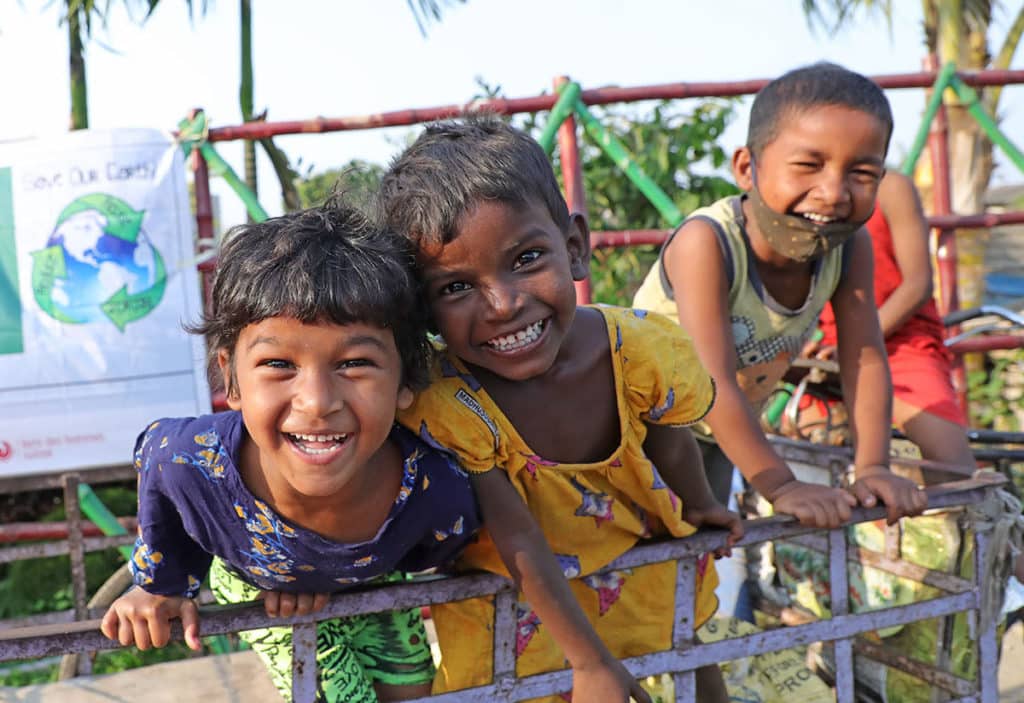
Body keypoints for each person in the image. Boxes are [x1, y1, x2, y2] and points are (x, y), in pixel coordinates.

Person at [100, 201, 641, 703]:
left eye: (355, 364)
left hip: (375, 573)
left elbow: (483, 544)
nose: (317, 402)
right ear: (231, 378)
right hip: (254, 571)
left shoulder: (433, 489)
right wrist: (161, 583)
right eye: (278, 366)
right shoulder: (191, 457)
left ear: (408, 379)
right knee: (341, 692)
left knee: (411, 688)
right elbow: (156, 465)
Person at [378, 116, 744, 703]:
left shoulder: (640, 351)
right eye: (455, 288)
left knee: (688, 662)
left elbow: (668, 439)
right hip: (516, 606)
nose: (503, 305)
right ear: (422, 312)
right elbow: (515, 534)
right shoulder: (450, 401)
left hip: (638, 568)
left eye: (526, 259)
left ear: (573, 247)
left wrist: (700, 506)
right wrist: (591, 664)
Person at [632, 62, 928, 529]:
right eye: (809, 165)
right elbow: (714, 381)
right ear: (747, 168)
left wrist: (873, 467)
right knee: (631, 572)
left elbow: (865, 358)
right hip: (634, 438)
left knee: (697, 566)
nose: (833, 193)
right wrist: (782, 486)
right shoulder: (708, 244)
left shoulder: (848, 247)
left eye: (863, 173)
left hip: (714, 437)